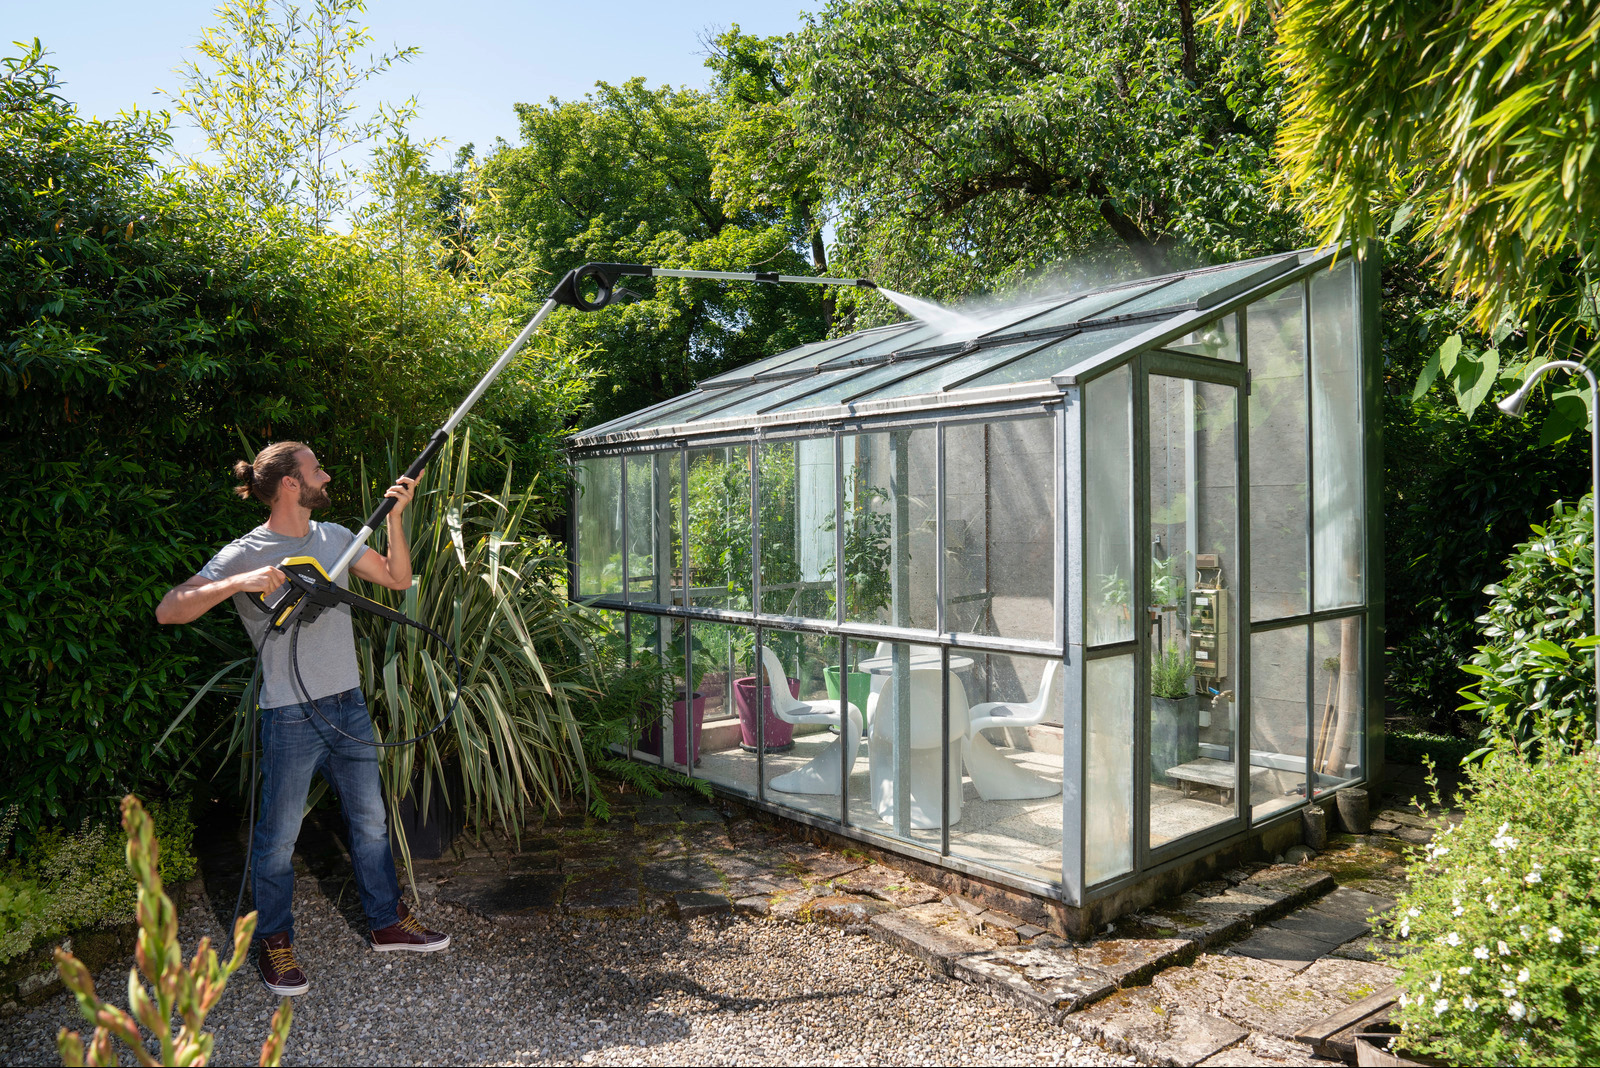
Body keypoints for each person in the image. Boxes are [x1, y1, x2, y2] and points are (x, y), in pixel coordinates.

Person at [156, 441, 449, 996]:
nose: (326, 475)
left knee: (370, 823)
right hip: (289, 713)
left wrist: (396, 522)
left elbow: (397, 580)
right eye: (316, 469)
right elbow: (170, 609)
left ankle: (386, 922)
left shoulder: (335, 538)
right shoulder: (246, 551)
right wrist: (237, 583)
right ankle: (274, 939)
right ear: (290, 482)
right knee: (277, 838)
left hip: (348, 704)